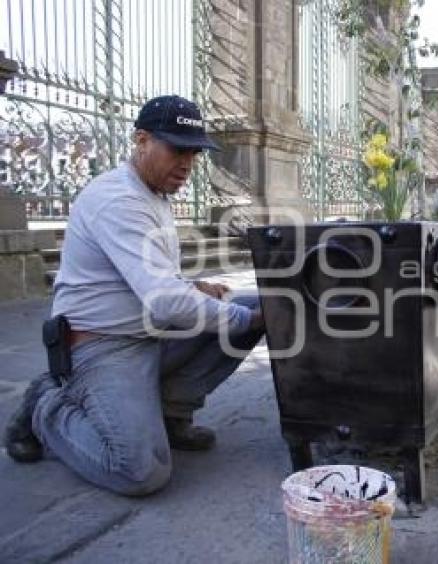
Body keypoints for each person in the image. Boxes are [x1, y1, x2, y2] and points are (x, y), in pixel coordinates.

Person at [4, 95, 266, 496]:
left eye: (193, 153)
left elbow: (150, 277)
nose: (187, 164)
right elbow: (163, 299)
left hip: (148, 334)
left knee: (251, 308)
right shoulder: (118, 199)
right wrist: (243, 320)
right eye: (177, 149)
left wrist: (195, 289)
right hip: (103, 347)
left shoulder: (154, 194)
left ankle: (169, 413)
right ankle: (48, 407)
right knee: (140, 472)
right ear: (141, 140)